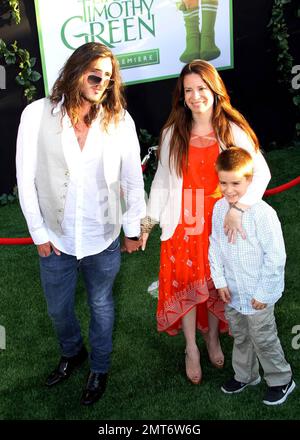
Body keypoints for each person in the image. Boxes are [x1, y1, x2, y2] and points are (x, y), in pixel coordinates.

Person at [16, 42, 146, 405]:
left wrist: (133, 229)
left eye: (107, 78)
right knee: (58, 309)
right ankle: (73, 352)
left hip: (102, 237)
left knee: (102, 304)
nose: (100, 82)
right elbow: (25, 180)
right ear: (75, 70)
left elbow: (133, 179)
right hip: (55, 240)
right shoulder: (35, 115)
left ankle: (99, 368)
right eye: (94, 73)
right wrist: (39, 234)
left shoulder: (118, 120)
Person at [141, 59, 271, 385]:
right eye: (188, 90)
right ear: (181, 95)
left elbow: (261, 173)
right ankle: (191, 349)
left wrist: (238, 209)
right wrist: (148, 222)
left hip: (220, 220)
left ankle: (212, 337)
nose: (195, 96)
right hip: (183, 222)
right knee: (186, 283)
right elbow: (161, 181)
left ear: (213, 90)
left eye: (201, 88)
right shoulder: (173, 132)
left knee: (216, 281)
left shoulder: (232, 129)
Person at [209, 147, 295, 405]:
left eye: (235, 183)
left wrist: (264, 293)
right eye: (223, 182)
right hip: (233, 292)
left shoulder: (263, 214)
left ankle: (281, 379)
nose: (228, 189)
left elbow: (276, 257)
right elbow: (215, 245)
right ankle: (245, 374)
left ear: (250, 180)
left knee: (263, 337)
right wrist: (220, 281)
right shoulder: (218, 209)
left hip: (258, 293)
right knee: (240, 335)